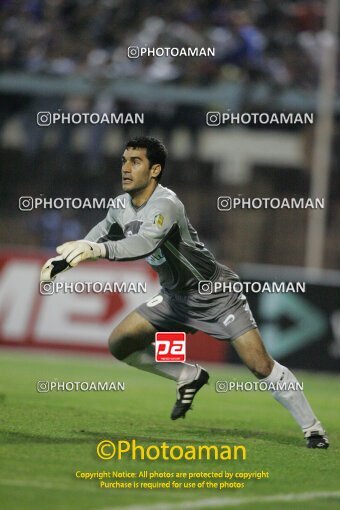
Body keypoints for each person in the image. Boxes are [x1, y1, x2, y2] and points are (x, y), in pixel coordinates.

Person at [41, 136, 329, 449]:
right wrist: (66, 259)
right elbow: (101, 231)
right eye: (124, 160)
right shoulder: (120, 206)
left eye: (135, 161)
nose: (125, 167)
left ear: (154, 170)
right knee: (121, 342)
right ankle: (187, 374)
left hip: (215, 294)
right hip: (174, 298)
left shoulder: (166, 204)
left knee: (260, 365)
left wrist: (95, 249)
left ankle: (313, 429)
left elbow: (143, 244)